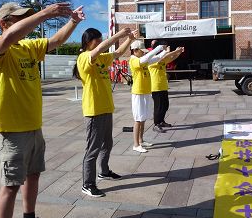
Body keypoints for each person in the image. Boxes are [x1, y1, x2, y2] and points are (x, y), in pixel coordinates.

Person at [0, 1, 85, 218]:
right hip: (10, 130)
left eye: (25, 18)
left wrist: (73, 21)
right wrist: (44, 13)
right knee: (11, 185)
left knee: (33, 175)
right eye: (18, 19)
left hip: (33, 125)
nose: (25, 22)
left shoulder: (28, 47)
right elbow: (8, 38)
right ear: (3, 23)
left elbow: (55, 41)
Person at [74, 27, 137, 197]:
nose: (101, 42)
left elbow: (117, 52)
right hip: (94, 110)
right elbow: (99, 50)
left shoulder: (102, 58)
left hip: (106, 108)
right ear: (88, 42)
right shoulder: (84, 58)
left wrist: (129, 40)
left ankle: (104, 171)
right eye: (98, 39)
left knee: (107, 144)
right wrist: (118, 34)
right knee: (92, 149)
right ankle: (87, 184)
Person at [129, 40, 166, 153]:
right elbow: (146, 58)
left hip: (145, 92)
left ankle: (141, 140)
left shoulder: (142, 60)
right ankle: (136, 144)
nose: (143, 53)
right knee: (138, 119)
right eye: (141, 51)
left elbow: (155, 59)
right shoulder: (134, 60)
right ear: (135, 51)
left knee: (143, 118)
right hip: (138, 93)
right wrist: (158, 48)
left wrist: (164, 51)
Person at [149, 43, 184, 133]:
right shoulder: (152, 60)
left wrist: (178, 53)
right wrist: (175, 51)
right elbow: (165, 57)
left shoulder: (161, 60)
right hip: (156, 87)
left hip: (163, 86)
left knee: (165, 105)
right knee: (158, 106)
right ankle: (156, 124)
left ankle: (161, 121)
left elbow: (171, 58)